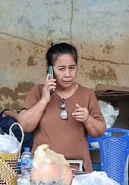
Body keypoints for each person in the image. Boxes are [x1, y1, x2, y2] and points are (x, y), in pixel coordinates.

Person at [17, 42, 106, 172]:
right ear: (50, 70)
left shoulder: (87, 94)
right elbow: (24, 126)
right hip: (44, 169)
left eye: (72, 68)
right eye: (61, 69)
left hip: (77, 170)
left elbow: (100, 131)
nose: (68, 74)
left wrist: (87, 119)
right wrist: (44, 100)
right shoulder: (38, 91)